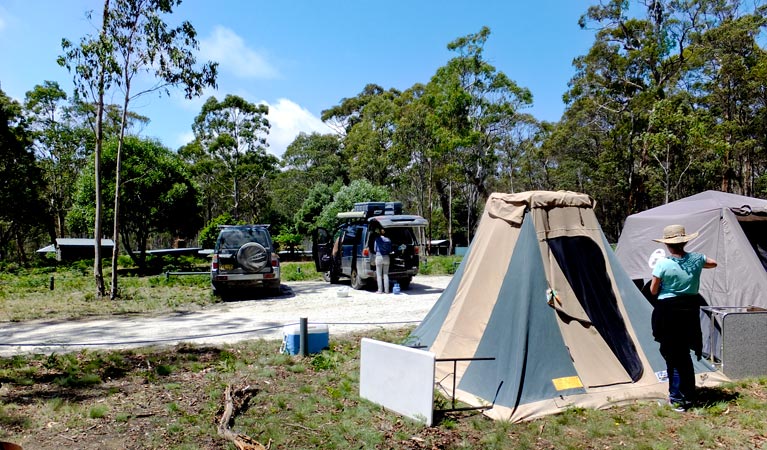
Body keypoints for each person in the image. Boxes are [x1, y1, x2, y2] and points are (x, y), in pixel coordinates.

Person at [649, 224, 717, 412]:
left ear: (668, 245)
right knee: (684, 355)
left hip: (668, 312)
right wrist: (696, 268)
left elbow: (653, 290)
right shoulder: (696, 259)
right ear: (685, 241)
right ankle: (688, 395)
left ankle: (677, 400)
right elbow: (713, 263)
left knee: (673, 357)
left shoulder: (663, 264)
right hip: (689, 311)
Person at [373, 227, 392, 294]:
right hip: (386, 257)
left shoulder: (377, 239)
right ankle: (387, 291)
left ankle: (380, 290)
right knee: (386, 274)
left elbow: (375, 249)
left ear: (379, 232)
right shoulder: (388, 240)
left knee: (379, 275)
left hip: (379, 257)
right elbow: (390, 250)